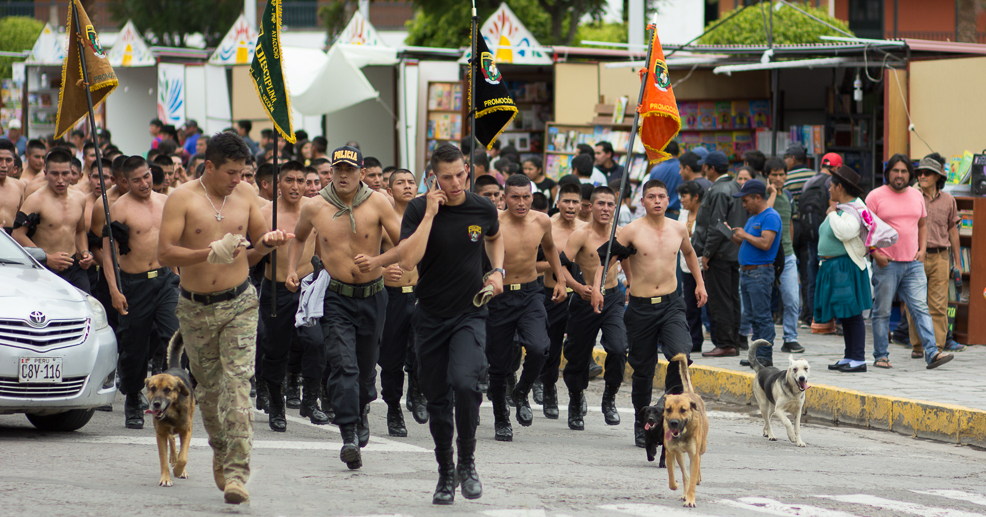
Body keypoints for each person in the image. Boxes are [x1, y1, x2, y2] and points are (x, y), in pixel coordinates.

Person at [158, 132, 292, 504]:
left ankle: (237, 473)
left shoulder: (247, 195)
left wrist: (269, 242)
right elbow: (165, 252)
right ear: (210, 166)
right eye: (231, 172)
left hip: (239, 304)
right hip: (195, 307)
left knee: (237, 387)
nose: (238, 180)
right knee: (211, 392)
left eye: (243, 173)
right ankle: (220, 448)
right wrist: (208, 252)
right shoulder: (182, 197)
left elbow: (254, 249)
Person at [397, 143, 503, 504]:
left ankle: (468, 463)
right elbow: (409, 260)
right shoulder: (416, 208)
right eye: (447, 177)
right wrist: (429, 213)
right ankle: (445, 473)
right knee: (438, 399)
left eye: (461, 174)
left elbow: (494, 236)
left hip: (470, 313)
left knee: (465, 382)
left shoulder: (482, 207)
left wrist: (497, 270)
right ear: (433, 178)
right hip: (429, 316)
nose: (456, 182)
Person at [286, 146, 401, 470]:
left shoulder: (378, 201)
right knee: (342, 365)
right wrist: (293, 269)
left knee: (365, 371)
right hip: (335, 297)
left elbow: (399, 240)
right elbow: (298, 238)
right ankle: (349, 433)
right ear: (330, 172)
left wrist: (388, 263)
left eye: (350, 169)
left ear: (362, 173)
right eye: (338, 169)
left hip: (373, 295)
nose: (344, 175)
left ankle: (362, 408)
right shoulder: (315, 205)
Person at [592, 179, 707, 448]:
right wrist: (598, 287)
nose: (657, 201)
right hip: (641, 308)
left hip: (671, 304)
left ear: (668, 201)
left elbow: (690, 255)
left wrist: (700, 283)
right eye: (651, 196)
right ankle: (642, 423)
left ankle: (666, 407)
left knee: (680, 357)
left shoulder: (678, 229)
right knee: (643, 370)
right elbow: (605, 260)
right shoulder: (631, 231)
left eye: (662, 196)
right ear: (642, 201)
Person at [486, 174, 567, 442]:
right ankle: (501, 418)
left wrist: (561, 280)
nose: (521, 203)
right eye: (515, 197)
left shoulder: (542, 220)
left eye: (526, 197)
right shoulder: (493, 222)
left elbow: (551, 248)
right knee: (498, 364)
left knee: (539, 347)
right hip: (500, 296)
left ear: (532, 196)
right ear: (503, 197)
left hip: (531, 293)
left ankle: (521, 391)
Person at [102, 156, 179, 430]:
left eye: (146, 176)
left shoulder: (166, 202)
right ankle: (133, 398)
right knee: (135, 348)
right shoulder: (119, 209)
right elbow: (108, 253)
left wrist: (178, 272)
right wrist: (113, 289)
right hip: (134, 285)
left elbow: (173, 240)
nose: (144, 183)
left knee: (174, 338)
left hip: (165, 280)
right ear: (126, 181)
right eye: (136, 180)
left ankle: (171, 397)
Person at [251, 161, 324, 431]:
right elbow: (251, 256)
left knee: (316, 343)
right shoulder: (264, 213)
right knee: (275, 349)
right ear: (278, 183)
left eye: (301, 181)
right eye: (289, 180)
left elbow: (321, 248)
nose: (296, 186)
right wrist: (266, 243)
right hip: (276, 289)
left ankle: (310, 400)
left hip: (309, 289)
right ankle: (276, 406)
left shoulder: (315, 208)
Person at [867, 154, 953, 370]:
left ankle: (932, 352)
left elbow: (922, 225)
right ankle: (881, 355)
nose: (899, 175)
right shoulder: (875, 196)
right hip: (887, 263)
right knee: (883, 311)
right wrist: (875, 253)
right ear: (888, 173)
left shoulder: (916, 195)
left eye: (904, 171)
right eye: (895, 171)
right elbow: (865, 229)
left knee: (920, 308)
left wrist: (922, 250)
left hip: (913, 263)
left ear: (909, 174)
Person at [560, 186, 628, 431]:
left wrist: (630, 284)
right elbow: (562, 266)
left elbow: (626, 260)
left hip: (612, 298)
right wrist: (578, 287)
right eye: (601, 204)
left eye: (611, 204)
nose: (606, 209)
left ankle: (609, 397)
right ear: (590, 206)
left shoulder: (620, 234)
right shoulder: (581, 235)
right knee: (577, 356)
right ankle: (576, 399)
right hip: (584, 299)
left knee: (619, 348)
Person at [378, 169, 427, 435]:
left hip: (422, 295)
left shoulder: (427, 219)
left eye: (411, 182)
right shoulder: (384, 220)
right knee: (391, 359)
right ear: (389, 190)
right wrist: (381, 271)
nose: (407, 186)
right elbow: (368, 257)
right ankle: (393, 408)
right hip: (392, 297)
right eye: (400, 182)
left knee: (422, 351)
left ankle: (417, 392)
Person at [906, 154, 965, 354]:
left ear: (938, 177)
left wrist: (958, 262)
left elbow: (953, 231)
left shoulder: (949, 200)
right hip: (916, 256)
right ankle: (917, 346)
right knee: (914, 303)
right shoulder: (911, 197)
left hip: (940, 256)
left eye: (927, 173)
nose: (922, 176)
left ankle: (937, 347)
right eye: (919, 173)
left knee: (938, 305)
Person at [13, 147, 92, 292]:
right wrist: (47, 258)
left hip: (74, 267)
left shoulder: (80, 198)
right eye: (55, 174)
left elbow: (80, 231)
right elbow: (17, 235)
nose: (60, 180)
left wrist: (85, 252)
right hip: (44, 268)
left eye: (65, 174)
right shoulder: (35, 200)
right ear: (45, 173)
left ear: (72, 174)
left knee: (85, 308)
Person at [535, 182, 583, 419]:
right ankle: (549, 388)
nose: (571, 206)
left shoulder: (587, 228)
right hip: (552, 295)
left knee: (579, 348)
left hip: (581, 296)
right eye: (566, 201)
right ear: (557, 202)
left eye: (575, 202)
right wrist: (557, 264)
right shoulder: (546, 226)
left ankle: (577, 393)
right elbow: (531, 265)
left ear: (582, 204)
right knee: (551, 347)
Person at [817, 166, 872, 373]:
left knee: (852, 312)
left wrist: (831, 214)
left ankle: (858, 358)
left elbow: (846, 232)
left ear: (840, 187)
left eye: (831, 186)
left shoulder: (855, 208)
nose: (829, 190)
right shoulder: (845, 207)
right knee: (845, 314)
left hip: (846, 267)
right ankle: (850, 355)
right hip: (836, 266)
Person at [694, 151, 746, 357]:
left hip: (720, 254)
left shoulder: (717, 191)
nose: (703, 169)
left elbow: (716, 227)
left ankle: (725, 343)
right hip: (733, 253)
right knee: (732, 299)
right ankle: (733, 341)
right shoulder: (735, 186)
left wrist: (706, 254)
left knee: (721, 300)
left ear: (711, 168)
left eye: (705, 166)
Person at [728, 179, 781, 366]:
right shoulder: (753, 218)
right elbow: (748, 242)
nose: (744, 205)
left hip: (759, 274)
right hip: (748, 274)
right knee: (753, 317)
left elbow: (766, 244)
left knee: (762, 316)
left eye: (745, 200)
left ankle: (764, 356)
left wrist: (745, 235)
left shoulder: (770, 216)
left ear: (757, 197)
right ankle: (756, 355)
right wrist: (735, 237)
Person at [764, 158, 803, 353]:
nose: (779, 178)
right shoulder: (762, 196)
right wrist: (771, 193)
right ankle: (750, 336)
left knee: (792, 299)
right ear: (767, 176)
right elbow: (764, 214)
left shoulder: (788, 196)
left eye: (782, 175)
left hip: (787, 256)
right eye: (774, 175)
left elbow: (789, 224)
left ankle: (790, 338)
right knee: (759, 300)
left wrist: (791, 250)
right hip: (765, 257)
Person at [797, 152, 837, 329]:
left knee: (812, 277)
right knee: (828, 278)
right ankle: (825, 318)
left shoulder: (808, 183)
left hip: (809, 235)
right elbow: (832, 208)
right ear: (836, 168)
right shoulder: (831, 182)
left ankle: (812, 316)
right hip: (826, 237)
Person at [676, 180, 705, 353]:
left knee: (706, 304)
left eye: (685, 196)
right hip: (685, 266)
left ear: (695, 197)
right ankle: (694, 340)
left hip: (703, 265)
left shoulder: (704, 213)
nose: (682, 200)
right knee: (690, 304)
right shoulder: (682, 214)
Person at [648, 141, 682, 218]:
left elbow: (650, 192)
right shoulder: (682, 169)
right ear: (678, 152)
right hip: (676, 213)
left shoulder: (655, 170)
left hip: (658, 213)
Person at [0, 140, 26, 233]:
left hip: (12, 239)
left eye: (8, 160)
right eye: (0, 160)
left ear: (14, 162)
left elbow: (21, 221)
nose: (3, 165)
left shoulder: (20, 186)